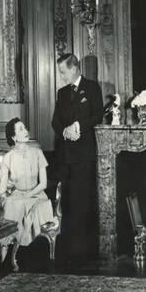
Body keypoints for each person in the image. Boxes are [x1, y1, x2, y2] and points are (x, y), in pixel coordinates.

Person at [51, 53, 103, 264]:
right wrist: (64, 131)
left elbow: (97, 115)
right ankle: (69, 252)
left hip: (84, 155)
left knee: (84, 201)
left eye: (63, 71)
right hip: (65, 156)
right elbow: (55, 121)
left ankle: (85, 251)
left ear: (74, 68)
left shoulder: (92, 88)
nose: (61, 76)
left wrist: (78, 127)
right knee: (69, 202)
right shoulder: (62, 93)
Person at [0, 118, 54, 247]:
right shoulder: (8, 158)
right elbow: (3, 186)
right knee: (12, 204)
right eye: (21, 129)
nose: (26, 131)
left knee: (27, 205)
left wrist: (28, 195)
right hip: (18, 195)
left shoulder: (38, 153)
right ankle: (8, 250)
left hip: (37, 194)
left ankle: (24, 247)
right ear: (14, 137)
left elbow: (43, 184)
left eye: (25, 128)